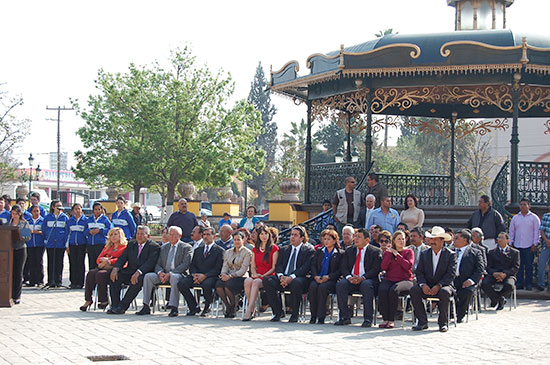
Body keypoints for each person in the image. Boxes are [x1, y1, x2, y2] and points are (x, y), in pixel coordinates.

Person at [137, 226, 192, 317]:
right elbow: (158, 263)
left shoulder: (186, 247)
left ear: (180, 236)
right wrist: (160, 273)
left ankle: (174, 307)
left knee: (174, 277)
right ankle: (146, 305)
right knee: (148, 276)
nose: (171, 237)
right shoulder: (164, 247)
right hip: (163, 274)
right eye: (170, 234)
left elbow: (185, 264)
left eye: (174, 235)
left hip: (178, 274)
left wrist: (170, 274)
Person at [410, 226, 457, 332]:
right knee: (414, 291)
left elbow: (450, 274)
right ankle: (422, 322)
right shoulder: (424, 254)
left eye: (435, 239)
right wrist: (423, 284)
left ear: (442, 240)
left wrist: (439, 285)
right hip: (427, 284)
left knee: (444, 292)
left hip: (444, 285)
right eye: (431, 239)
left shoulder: (450, 255)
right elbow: (420, 272)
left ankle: (443, 323)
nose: (432, 241)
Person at [264, 225, 315, 323]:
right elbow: (278, 265)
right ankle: (278, 312)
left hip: (299, 278)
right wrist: (281, 276)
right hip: (283, 278)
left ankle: (295, 314)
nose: (292, 237)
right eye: (291, 235)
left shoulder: (308, 250)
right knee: (268, 280)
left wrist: (291, 277)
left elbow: (304, 268)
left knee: (296, 282)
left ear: (302, 238)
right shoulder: (284, 249)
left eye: (295, 235)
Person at [335, 228, 382, 327]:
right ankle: (344, 317)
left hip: (367, 280)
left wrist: (363, 277)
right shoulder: (349, 250)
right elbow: (343, 267)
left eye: (359, 237)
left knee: (366, 285)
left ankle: (368, 318)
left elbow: (375, 269)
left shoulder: (375, 251)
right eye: (355, 236)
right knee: (341, 284)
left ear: (367, 240)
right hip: (351, 279)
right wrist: (348, 277)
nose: (355, 239)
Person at [108, 226, 160, 314]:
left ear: (148, 236)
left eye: (142, 234)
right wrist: (115, 268)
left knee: (137, 281)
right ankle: (115, 305)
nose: (139, 236)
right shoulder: (131, 244)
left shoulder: (154, 247)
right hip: (130, 270)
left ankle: (123, 306)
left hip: (144, 273)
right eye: (138, 234)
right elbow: (122, 258)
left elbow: (150, 263)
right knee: (115, 276)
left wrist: (139, 272)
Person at [177, 227, 224, 316]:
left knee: (207, 284)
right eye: (204, 235)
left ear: (214, 236)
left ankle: (207, 307)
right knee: (182, 283)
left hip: (211, 276)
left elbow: (218, 268)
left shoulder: (219, 251)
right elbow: (193, 265)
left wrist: (205, 276)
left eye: (208, 234)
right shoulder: (198, 250)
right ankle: (193, 307)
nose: (205, 237)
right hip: (197, 275)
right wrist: (194, 274)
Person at [80, 227, 128, 311]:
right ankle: (88, 299)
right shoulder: (107, 247)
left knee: (100, 275)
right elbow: (99, 258)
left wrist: (109, 261)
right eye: (111, 235)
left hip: (115, 268)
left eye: (116, 234)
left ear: (121, 236)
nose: (113, 237)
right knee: (91, 273)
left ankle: (103, 300)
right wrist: (101, 263)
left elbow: (123, 260)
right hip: (104, 266)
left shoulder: (124, 247)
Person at [378, 230, 414, 328]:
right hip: (390, 278)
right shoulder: (388, 253)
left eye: (403, 239)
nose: (401, 241)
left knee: (394, 290)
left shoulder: (409, 252)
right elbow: (384, 266)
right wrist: (389, 254)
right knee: (382, 289)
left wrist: (397, 255)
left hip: (405, 280)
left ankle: (391, 319)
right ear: (394, 241)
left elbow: (408, 266)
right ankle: (385, 318)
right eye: (398, 239)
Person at [243, 225, 279, 321]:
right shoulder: (255, 249)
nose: (264, 236)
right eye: (261, 234)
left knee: (255, 282)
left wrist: (263, 275)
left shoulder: (274, 248)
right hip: (257, 274)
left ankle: (249, 309)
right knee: (247, 281)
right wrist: (254, 273)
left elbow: (273, 267)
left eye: (266, 234)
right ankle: (252, 307)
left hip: (268, 275)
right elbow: (253, 266)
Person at [308, 229, 344, 324]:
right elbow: (313, 265)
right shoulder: (319, 251)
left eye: (328, 239)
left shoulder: (340, 253)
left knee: (322, 288)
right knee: (313, 287)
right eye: (325, 239)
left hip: (331, 280)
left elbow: (340, 270)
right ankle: (313, 315)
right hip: (318, 278)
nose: (326, 241)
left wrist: (328, 277)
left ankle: (321, 316)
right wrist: (315, 276)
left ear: (334, 240)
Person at [216, 231, 252, 318]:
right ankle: (228, 306)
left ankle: (233, 306)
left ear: (243, 240)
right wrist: (223, 274)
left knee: (228, 285)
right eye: (235, 240)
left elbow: (243, 269)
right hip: (228, 275)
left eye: (238, 239)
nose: (236, 242)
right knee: (218, 284)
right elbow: (225, 266)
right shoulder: (228, 252)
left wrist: (231, 276)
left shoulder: (247, 252)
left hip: (241, 277)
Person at [481, 232, 520, 310]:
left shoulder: (514, 252)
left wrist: (505, 274)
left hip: (508, 275)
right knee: (484, 283)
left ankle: (499, 298)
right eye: (498, 238)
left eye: (502, 238)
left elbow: (515, 267)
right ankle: (497, 299)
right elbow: (488, 266)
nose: (499, 240)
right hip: (494, 274)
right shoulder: (492, 252)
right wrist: (494, 273)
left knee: (509, 285)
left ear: (507, 240)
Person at [452, 229, 484, 323]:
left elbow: (479, 270)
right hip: (451, 280)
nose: (454, 240)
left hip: (466, 281)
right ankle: (448, 313)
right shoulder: (450, 251)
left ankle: (460, 315)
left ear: (464, 240)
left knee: (466, 291)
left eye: (457, 238)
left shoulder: (475, 253)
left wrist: (471, 281)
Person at [509, 198, 540, 290]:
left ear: (529, 206)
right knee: (519, 266)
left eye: (524, 204)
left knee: (529, 266)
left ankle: (529, 284)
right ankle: (519, 283)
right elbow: (511, 231)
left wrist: (535, 243)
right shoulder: (515, 218)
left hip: (529, 246)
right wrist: (511, 243)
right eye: (521, 204)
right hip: (518, 245)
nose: (522, 206)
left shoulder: (534, 218)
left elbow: (537, 232)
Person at [42, 200, 69, 288]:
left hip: (60, 244)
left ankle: (58, 281)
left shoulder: (64, 217)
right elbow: (44, 229)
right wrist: (46, 239)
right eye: (57, 206)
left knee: (59, 262)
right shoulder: (48, 217)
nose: (59, 207)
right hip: (50, 243)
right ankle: (50, 281)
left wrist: (65, 242)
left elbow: (67, 231)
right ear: (53, 207)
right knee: (51, 262)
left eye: (61, 206)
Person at [9, 205, 31, 304]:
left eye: (15, 214)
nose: (14, 216)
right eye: (12, 213)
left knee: (18, 272)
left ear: (20, 214)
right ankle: (9, 294)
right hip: (10, 250)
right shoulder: (8, 223)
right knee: (10, 272)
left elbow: (27, 237)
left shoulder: (24, 223)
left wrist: (20, 235)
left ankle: (16, 296)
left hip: (21, 249)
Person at [85, 202, 113, 270]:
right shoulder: (89, 219)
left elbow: (110, 230)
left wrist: (100, 231)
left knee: (99, 263)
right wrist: (89, 231)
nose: (97, 211)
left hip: (100, 244)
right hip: (90, 244)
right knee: (91, 263)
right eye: (95, 209)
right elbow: (84, 231)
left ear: (101, 210)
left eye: (98, 209)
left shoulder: (105, 219)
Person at [67, 203, 88, 289]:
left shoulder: (85, 220)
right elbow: (67, 234)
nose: (77, 210)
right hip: (72, 244)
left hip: (81, 244)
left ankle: (80, 282)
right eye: (75, 209)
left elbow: (87, 234)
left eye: (79, 208)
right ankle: (73, 282)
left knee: (80, 263)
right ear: (73, 211)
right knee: (72, 263)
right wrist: (67, 245)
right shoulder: (70, 221)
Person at [25, 205, 45, 287]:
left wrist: (37, 232)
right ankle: (32, 280)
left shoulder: (43, 221)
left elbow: (45, 232)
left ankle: (40, 280)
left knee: (39, 261)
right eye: (34, 211)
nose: (36, 213)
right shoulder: (27, 221)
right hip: (30, 244)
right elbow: (24, 232)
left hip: (39, 244)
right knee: (31, 262)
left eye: (37, 211)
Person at [537, 210, 550, 291]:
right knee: (542, 264)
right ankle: (541, 284)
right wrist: (546, 240)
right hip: (546, 244)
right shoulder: (546, 216)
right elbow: (542, 230)